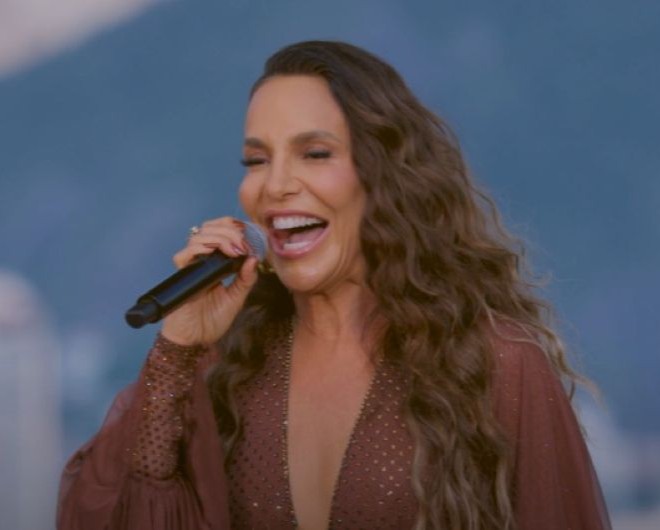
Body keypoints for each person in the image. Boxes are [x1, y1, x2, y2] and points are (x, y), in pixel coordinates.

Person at [57, 40, 611, 529]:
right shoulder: (225, 367)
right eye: (256, 160)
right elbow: (116, 515)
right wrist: (177, 348)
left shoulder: (496, 364)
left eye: (315, 154)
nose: (275, 185)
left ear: (385, 175)